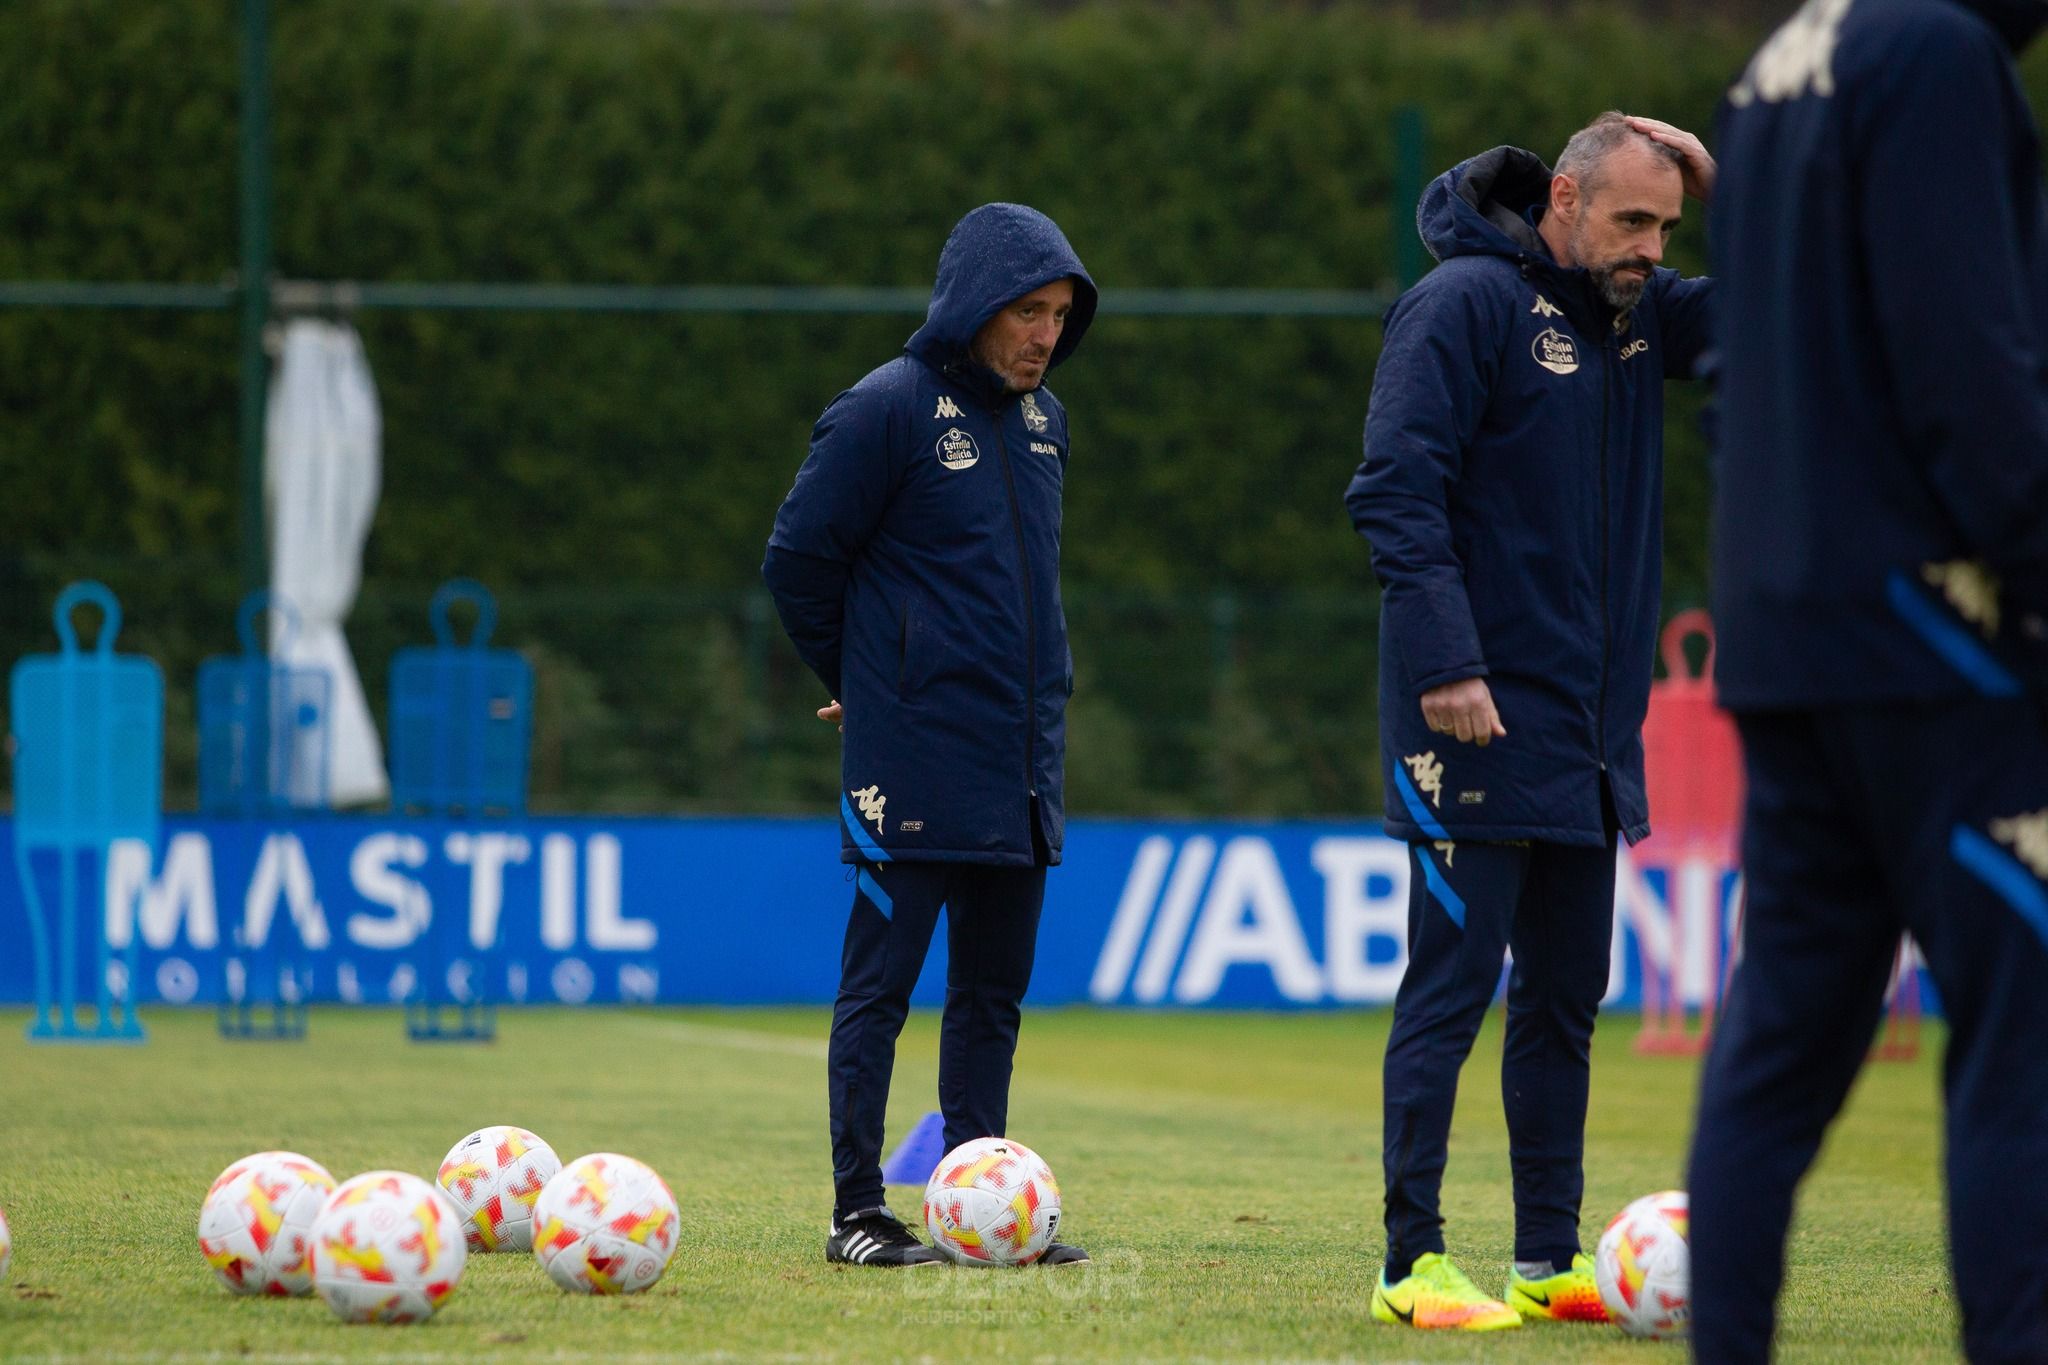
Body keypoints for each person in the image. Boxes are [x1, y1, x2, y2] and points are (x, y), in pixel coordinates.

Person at [1691, 0, 2048, 1357]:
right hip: (1936, 636)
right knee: (2022, 1040)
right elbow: (1968, 364)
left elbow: (1738, 371)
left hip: (1786, 635)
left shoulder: (1773, 67)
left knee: (1778, 1054)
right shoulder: (1936, 56)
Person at [1345, 112, 1715, 1331]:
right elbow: (1394, 488)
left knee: (1564, 999)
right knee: (1448, 989)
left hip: (1586, 735)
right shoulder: (1460, 305)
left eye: (1666, 225)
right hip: (1469, 720)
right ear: (1561, 197)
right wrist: (1446, 662)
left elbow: (1777, 307)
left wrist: (1727, 178)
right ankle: (1411, 1264)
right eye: (1629, 220)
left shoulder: (1633, 318)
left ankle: (1545, 1258)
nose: (1649, 249)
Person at [762, 202, 1097, 1268]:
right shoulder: (883, 410)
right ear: (971, 307)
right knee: (879, 993)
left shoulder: (1046, 425)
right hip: (907, 756)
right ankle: (856, 1213)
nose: (1043, 334)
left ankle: (978, 1210)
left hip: (1018, 766)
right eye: (1024, 311)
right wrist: (858, 679)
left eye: (1057, 314)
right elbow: (797, 563)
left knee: (990, 999)